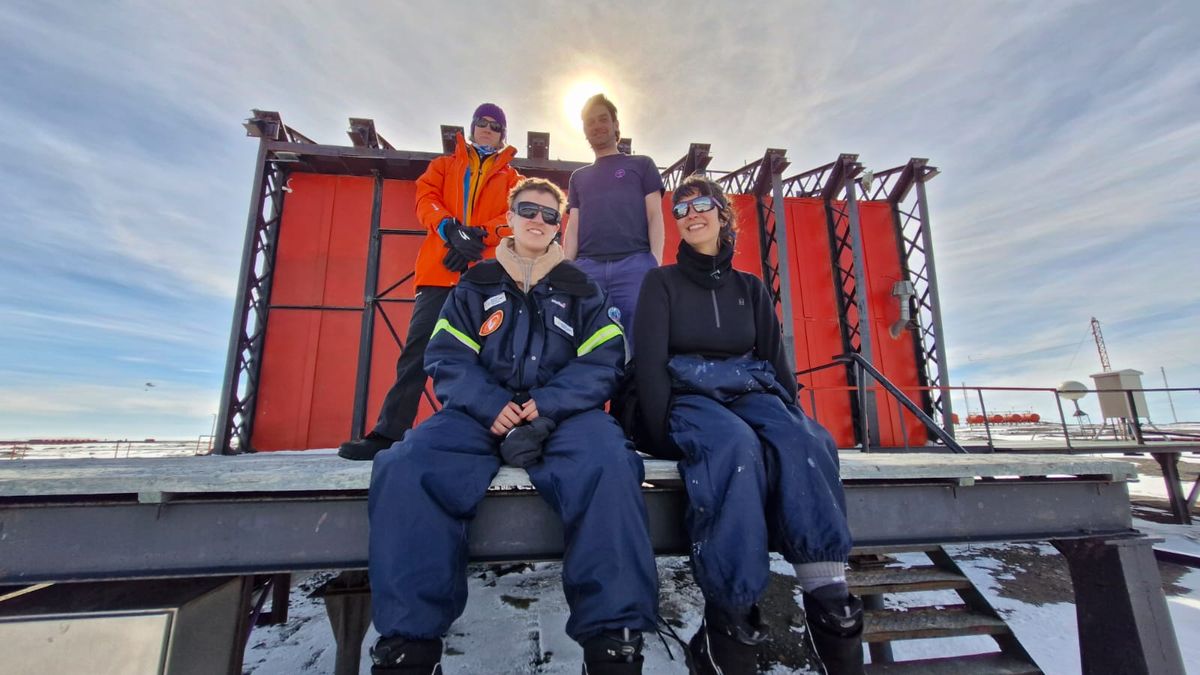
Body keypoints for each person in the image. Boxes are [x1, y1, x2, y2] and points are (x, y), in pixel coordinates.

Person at [367, 178, 658, 674]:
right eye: (529, 210)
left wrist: (547, 403)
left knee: (610, 463)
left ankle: (613, 641)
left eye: (550, 216)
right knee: (408, 465)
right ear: (511, 214)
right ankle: (409, 647)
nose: (539, 221)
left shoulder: (580, 286)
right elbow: (446, 354)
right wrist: (489, 403)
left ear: (560, 225)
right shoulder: (476, 281)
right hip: (478, 415)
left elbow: (606, 359)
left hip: (564, 417)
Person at [632, 175, 863, 675]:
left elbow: (776, 361)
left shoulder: (750, 288)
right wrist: (656, 433)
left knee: (805, 439)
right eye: (681, 209)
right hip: (687, 393)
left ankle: (830, 598)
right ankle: (730, 619)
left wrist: (788, 413)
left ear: (722, 213)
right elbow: (649, 362)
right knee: (735, 449)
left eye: (702, 204)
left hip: (749, 386)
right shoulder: (661, 282)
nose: (692, 214)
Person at [339, 103, 522, 461]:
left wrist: (478, 238)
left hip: (486, 280)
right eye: (481, 123)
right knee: (418, 352)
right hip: (439, 274)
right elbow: (426, 200)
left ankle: (497, 435)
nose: (487, 129)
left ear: (503, 134)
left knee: (492, 357)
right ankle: (388, 432)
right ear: (471, 129)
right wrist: (449, 229)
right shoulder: (442, 166)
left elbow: (512, 216)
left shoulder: (513, 179)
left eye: (495, 125)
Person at [564, 94, 664, 342]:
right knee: (585, 338)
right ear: (585, 131)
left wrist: (653, 262)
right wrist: (567, 268)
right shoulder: (578, 177)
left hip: (635, 264)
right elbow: (573, 225)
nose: (597, 125)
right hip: (587, 268)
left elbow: (655, 215)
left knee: (638, 340)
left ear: (616, 125)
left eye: (603, 119)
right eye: (590, 122)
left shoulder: (642, 165)